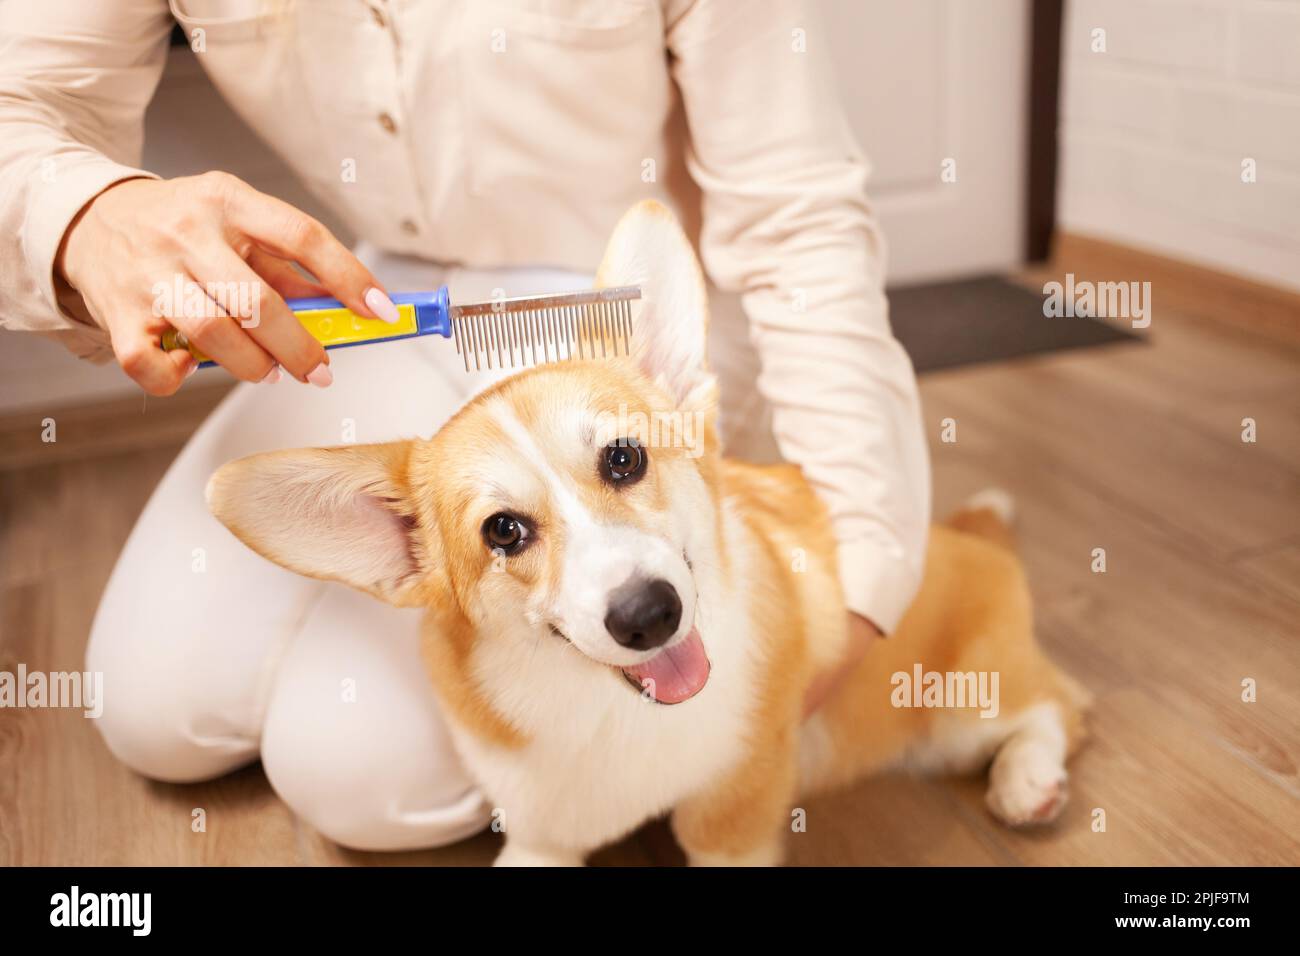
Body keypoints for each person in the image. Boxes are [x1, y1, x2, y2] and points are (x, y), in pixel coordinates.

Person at [0, 0, 930, 850]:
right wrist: (85, 215)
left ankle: (546, 529)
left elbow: (798, 219)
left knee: (352, 778)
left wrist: (856, 580)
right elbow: (19, 101)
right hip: (394, 305)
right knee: (152, 712)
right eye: (509, 530)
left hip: (618, 316)